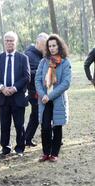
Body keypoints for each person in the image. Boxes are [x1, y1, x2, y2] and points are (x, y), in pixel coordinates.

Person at [0, 31, 30, 157]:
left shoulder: (23, 58)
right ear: (4, 42)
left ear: (15, 42)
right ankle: (5, 147)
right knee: (4, 124)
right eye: (7, 40)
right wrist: (2, 88)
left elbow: (26, 77)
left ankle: (20, 148)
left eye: (12, 40)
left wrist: (14, 88)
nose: (9, 43)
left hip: (18, 97)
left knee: (19, 124)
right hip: (2, 97)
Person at [35, 34, 72, 162]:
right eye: (49, 46)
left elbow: (66, 83)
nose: (51, 48)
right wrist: (42, 94)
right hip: (44, 100)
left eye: (54, 45)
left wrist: (50, 96)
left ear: (59, 46)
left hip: (57, 99)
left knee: (57, 126)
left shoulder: (65, 62)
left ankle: (54, 153)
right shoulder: (43, 61)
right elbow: (37, 79)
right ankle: (46, 152)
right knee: (45, 126)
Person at [24, 33, 48, 148]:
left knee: (37, 116)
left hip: (44, 91)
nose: (46, 48)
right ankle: (27, 138)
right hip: (34, 92)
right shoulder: (29, 55)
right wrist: (42, 73)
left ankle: (27, 138)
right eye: (44, 45)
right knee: (38, 115)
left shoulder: (42, 55)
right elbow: (30, 73)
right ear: (38, 43)